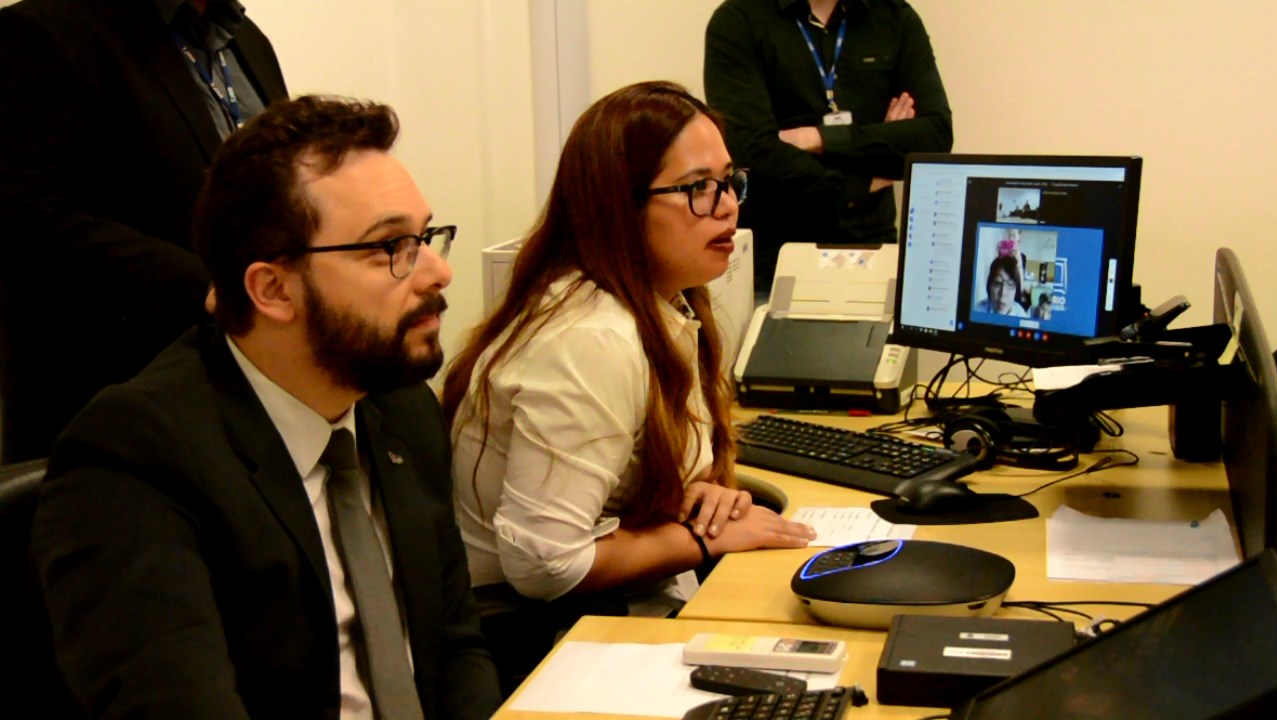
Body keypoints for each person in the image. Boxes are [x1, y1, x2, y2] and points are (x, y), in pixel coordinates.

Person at [31, 96, 501, 719]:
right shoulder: (135, 457)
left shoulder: (402, 410)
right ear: (273, 289)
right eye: (389, 247)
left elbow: (453, 648)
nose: (437, 271)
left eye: (426, 236)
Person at [444, 81, 815, 617]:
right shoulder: (589, 339)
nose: (728, 205)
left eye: (729, 181)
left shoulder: (668, 306)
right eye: (697, 187)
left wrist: (705, 498)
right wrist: (700, 541)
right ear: (620, 206)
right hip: (539, 638)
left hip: (623, 605)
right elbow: (545, 566)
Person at [0, 0, 288, 462]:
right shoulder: (39, 32)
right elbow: (30, 220)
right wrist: (216, 290)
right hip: (117, 410)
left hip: (257, 394)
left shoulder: (248, 41)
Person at [704, 0, 953, 290]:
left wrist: (817, 138)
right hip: (775, 268)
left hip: (874, 257)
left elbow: (935, 136)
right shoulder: (738, 21)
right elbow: (752, 152)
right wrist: (865, 178)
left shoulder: (895, 18)